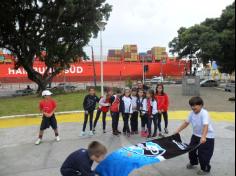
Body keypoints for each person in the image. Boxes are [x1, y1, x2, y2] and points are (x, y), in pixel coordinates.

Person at [175, 97, 215, 175]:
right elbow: (186, 123)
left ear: (201, 105)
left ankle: (205, 168)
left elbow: (205, 125)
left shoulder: (204, 113)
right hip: (196, 135)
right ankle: (193, 162)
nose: (193, 107)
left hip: (207, 137)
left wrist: (203, 137)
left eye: (195, 105)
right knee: (191, 150)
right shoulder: (191, 113)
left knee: (203, 154)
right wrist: (177, 131)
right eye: (191, 105)